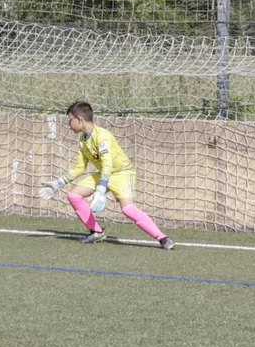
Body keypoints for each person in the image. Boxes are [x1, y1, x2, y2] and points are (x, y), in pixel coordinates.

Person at [44, 101, 174, 249]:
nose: (69, 124)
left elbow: (107, 163)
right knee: (73, 195)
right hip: (104, 174)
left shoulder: (102, 136)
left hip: (121, 173)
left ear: (79, 119)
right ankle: (96, 231)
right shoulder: (82, 141)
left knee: (128, 209)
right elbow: (79, 168)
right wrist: (59, 182)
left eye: (70, 120)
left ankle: (163, 238)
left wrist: (101, 189)